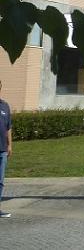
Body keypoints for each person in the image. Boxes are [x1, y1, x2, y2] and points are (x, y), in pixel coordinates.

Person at [0, 80, 12, 218]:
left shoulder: (5, 106)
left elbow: (9, 127)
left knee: (0, 181)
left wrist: (10, 145)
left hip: (2, 149)